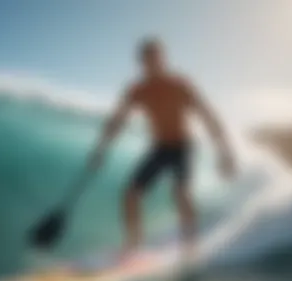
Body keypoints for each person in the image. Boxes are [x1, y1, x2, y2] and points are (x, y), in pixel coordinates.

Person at [89, 38, 236, 262]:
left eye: (156, 58)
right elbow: (117, 120)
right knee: (130, 194)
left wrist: (224, 151)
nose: (152, 64)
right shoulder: (137, 90)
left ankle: (190, 247)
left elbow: (208, 115)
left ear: (163, 59)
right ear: (141, 62)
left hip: (182, 147)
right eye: (147, 60)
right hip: (159, 147)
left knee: (180, 193)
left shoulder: (180, 84)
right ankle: (134, 245)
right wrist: (101, 149)